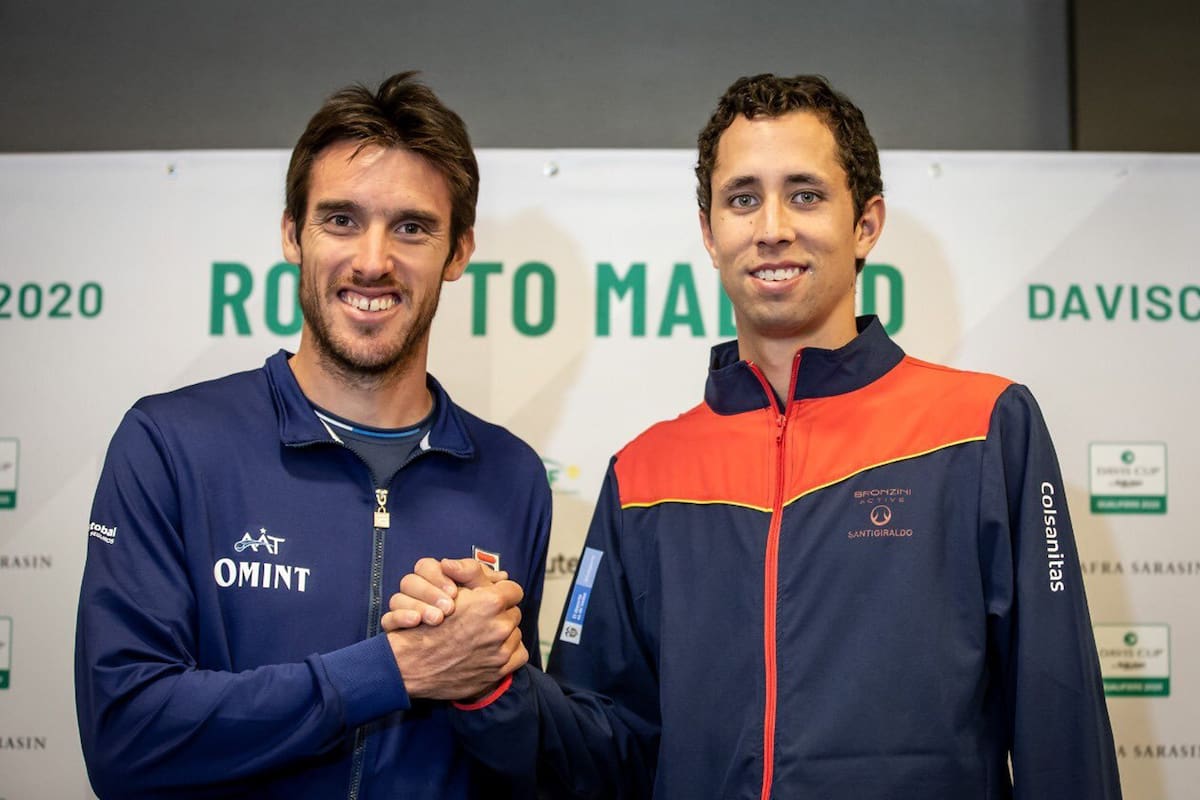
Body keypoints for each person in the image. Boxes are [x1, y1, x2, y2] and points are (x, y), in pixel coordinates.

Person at [386, 74, 1122, 798]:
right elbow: (602, 755)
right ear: (710, 233)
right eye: (743, 199)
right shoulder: (644, 474)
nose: (772, 227)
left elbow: (1061, 723)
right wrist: (490, 678)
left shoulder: (985, 427)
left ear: (866, 222)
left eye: (805, 194)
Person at [74, 71, 551, 799]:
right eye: (341, 220)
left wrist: (490, 683)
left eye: (413, 227)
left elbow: (524, 768)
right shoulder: (171, 444)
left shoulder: (510, 474)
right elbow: (126, 736)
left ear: (458, 254)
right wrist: (393, 672)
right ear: (293, 234)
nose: (372, 260)